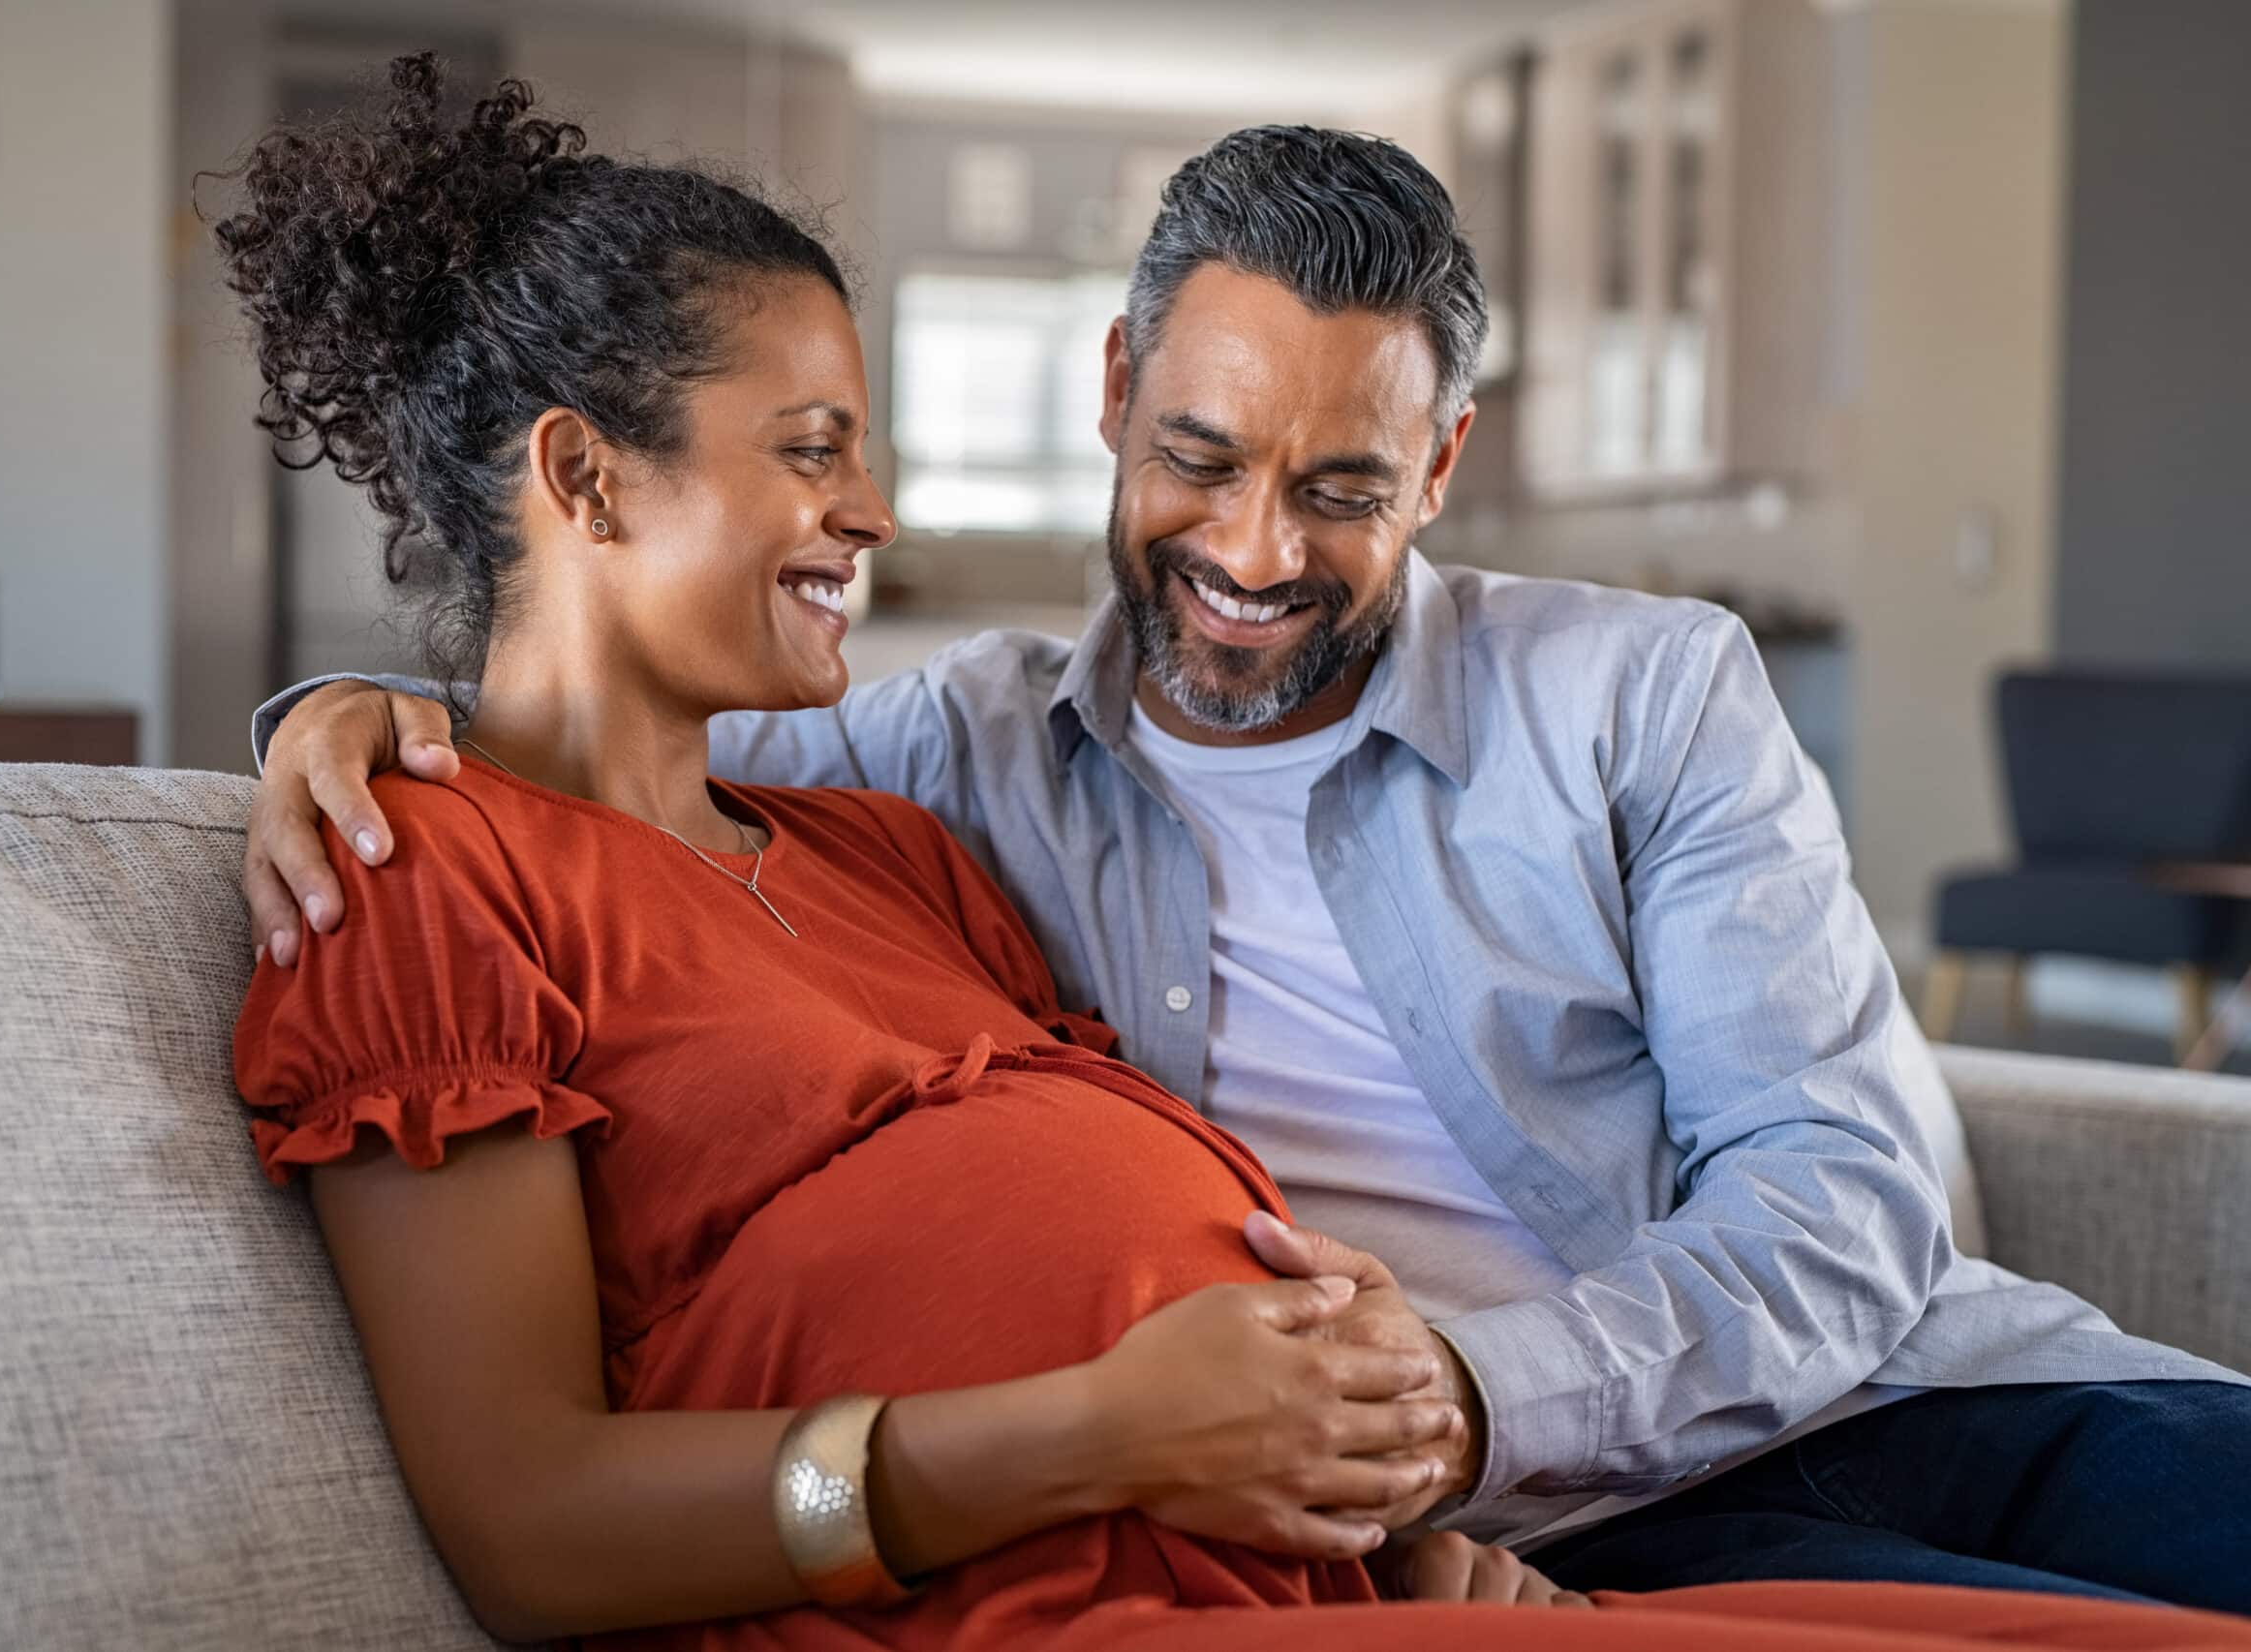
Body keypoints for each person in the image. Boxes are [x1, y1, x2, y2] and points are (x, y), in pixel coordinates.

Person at [224, 56, 2251, 1650]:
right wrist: (335, 715)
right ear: (1115, 396)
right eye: (1196, 459)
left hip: (1893, 1396)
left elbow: (1837, 1195)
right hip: (1506, 1546)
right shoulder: (948, 746)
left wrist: (1459, 1397)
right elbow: (581, 717)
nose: (1254, 552)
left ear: (1442, 463)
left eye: (1343, 484)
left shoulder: (1641, 692)